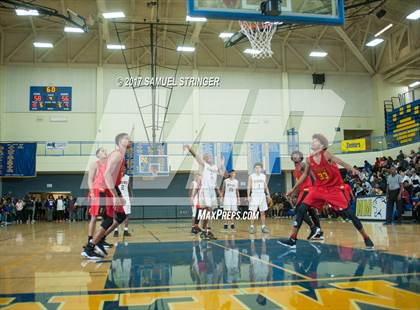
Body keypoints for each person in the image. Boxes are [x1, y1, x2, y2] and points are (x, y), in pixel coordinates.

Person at [278, 133, 374, 249]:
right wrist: (293, 189)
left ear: (322, 145)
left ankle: (366, 237)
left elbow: (341, 162)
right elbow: (304, 176)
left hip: (333, 189)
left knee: (349, 214)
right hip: (318, 189)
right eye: (312, 140)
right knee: (300, 209)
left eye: (315, 141)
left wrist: (354, 170)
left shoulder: (326, 155)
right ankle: (292, 238)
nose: (312, 142)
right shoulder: (309, 160)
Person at [82, 133, 130, 260]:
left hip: (110, 188)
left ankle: (99, 240)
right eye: (126, 138)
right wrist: (115, 195)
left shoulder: (120, 156)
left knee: (120, 216)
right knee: (106, 219)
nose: (129, 139)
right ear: (119, 142)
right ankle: (90, 246)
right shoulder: (117, 154)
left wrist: (118, 194)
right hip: (102, 189)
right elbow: (107, 174)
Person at [184, 145, 225, 240]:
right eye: (206, 156)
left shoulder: (214, 167)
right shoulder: (204, 165)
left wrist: (222, 164)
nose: (209, 157)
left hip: (211, 191)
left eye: (209, 156)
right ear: (204, 159)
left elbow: (222, 173)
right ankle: (203, 230)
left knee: (209, 212)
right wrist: (190, 149)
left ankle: (206, 231)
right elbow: (196, 156)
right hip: (205, 190)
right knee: (208, 210)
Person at [289, 150, 323, 240]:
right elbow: (299, 184)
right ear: (292, 158)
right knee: (311, 210)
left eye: (297, 155)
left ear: (301, 157)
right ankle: (319, 233)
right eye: (294, 155)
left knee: (298, 210)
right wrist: (293, 193)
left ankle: (313, 228)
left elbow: (312, 175)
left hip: (308, 190)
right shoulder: (294, 171)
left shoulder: (303, 165)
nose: (295, 156)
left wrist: (318, 187)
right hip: (303, 191)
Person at [247, 162, 270, 234]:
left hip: (262, 195)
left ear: (261, 169)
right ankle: (251, 227)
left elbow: (265, 186)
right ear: (254, 169)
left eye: (259, 168)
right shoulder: (251, 176)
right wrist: (248, 195)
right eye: (256, 168)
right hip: (254, 195)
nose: (258, 169)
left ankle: (263, 227)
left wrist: (268, 194)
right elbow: (248, 186)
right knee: (253, 212)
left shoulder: (263, 176)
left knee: (262, 212)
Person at [114, 172, 132, 237]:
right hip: (118, 197)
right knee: (116, 215)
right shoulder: (116, 176)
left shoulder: (127, 177)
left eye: (124, 168)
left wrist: (131, 196)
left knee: (127, 215)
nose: (123, 169)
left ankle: (126, 230)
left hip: (126, 198)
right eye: (122, 167)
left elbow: (129, 188)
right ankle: (116, 230)